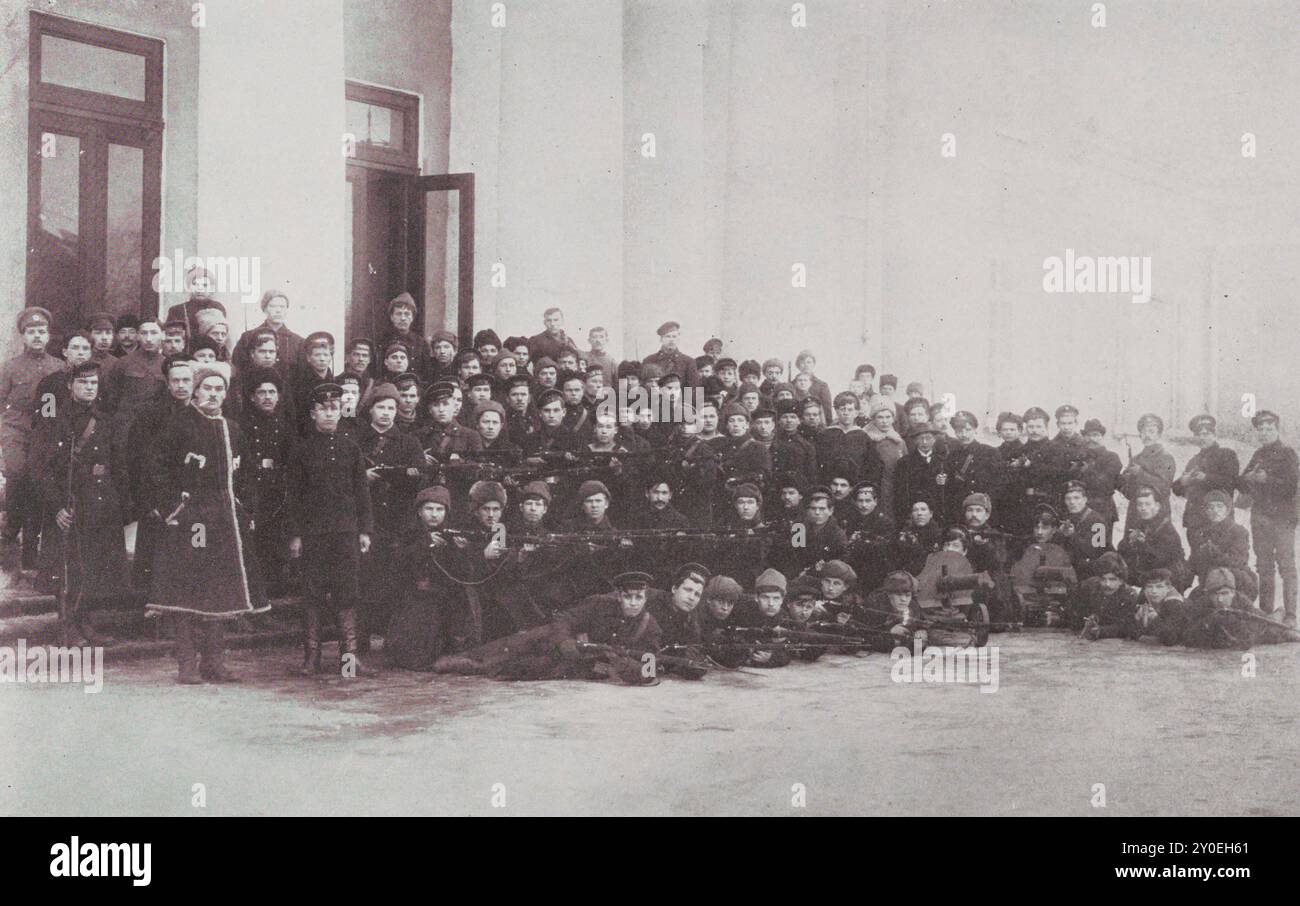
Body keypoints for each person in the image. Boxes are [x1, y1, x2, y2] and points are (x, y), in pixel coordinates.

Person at [146, 362, 268, 683]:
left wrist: (245, 509)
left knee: (219, 588)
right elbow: (156, 469)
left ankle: (214, 662)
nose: (213, 395)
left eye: (219, 389)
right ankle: (186, 663)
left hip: (224, 521)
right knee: (187, 590)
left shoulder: (233, 429)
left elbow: (248, 476)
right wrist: (174, 508)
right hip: (190, 520)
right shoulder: (178, 425)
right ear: (196, 392)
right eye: (207, 389)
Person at [30, 361, 128, 644]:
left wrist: (120, 504)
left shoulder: (104, 419)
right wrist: (56, 507)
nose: (89, 387)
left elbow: (116, 463)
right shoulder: (55, 420)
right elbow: (40, 468)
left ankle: (85, 622)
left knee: (94, 566)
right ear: (70, 386)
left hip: (99, 502)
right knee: (68, 566)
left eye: (93, 383)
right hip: (69, 504)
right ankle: (67, 625)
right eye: (83, 382)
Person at [286, 383, 374, 675]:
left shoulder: (351, 448)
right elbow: (294, 496)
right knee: (312, 593)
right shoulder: (302, 451)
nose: (329, 414)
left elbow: (362, 492)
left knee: (347, 592)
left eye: (334, 408)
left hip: (346, 532)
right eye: (323, 409)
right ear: (313, 413)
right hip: (313, 534)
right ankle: (311, 659)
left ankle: (349, 658)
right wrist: (296, 534)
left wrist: (365, 530)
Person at [0, 308, 64, 566]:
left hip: (45, 435)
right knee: (17, 475)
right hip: (17, 432)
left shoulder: (58, 366)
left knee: (39, 483)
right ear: (23, 336)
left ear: (48, 336)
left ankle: (30, 546)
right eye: (31, 332)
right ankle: (9, 532)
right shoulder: (9, 368)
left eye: (41, 331)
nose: (37, 336)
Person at [1237, 410, 1298, 626]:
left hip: (1282, 519)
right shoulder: (1258, 455)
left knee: (1286, 565)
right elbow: (1241, 481)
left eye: (1269, 428)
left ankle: (1291, 615)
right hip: (1260, 517)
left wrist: (1265, 479)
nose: (1264, 432)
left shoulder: (1288, 454)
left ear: (1277, 429)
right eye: (1261, 429)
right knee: (1263, 565)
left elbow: (1291, 486)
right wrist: (1249, 478)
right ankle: (1265, 611)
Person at [1172, 414, 1239, 533]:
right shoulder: (1193, 461)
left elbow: (1232, 482)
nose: (1202, 438)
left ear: (1214, 435)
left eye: (1206, 434)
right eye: (1199, 435)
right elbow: (1177, 489)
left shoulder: (1227, 455)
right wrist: (1183, 482)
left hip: (1218, 520)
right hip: (1195, 521)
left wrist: (1206, 478)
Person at [1120, 413, 1175, 530]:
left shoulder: (1166, 458)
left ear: (1159, 435)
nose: (1147, 435)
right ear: (1140, 435)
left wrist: (1140, 474)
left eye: (1151, 431)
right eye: (1144, 432)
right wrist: (1126, 479)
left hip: (1157, 512)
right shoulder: (1135, 459)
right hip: (1136, 512)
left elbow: (1164, 487)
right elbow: (1127, 492)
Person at [233, 290, 304, 375]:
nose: (278, 310)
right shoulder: (247, 338)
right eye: (272, 306)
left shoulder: (298, 342)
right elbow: (240, 368)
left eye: (282, 307)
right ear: (264, 309)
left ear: (286, 310)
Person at [163, 265, 226, 339]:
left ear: (211, 288)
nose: (199, 289)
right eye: (195, 284)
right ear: (188, 287)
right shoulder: (177, 310)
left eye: (205, 285)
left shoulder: (217, 308)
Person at [643, 321, 700, 388]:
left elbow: (693, 389)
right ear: (661, 339)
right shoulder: (649, 360)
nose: (671, 340)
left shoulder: (689, 362)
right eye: (668, 336)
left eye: (674, 336)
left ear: (678, 338)